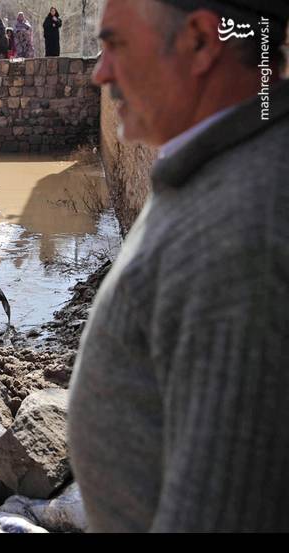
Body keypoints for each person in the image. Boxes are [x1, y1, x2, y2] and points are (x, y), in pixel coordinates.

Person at [68, 0, 289, 532]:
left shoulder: (242, 233)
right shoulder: (217, 166)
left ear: (200, 42)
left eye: (116, 44)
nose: (101, 72)